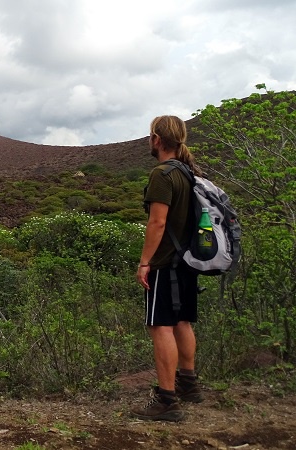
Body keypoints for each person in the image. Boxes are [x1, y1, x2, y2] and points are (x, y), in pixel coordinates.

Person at [131, 115, 204, 422]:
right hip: (188, 262)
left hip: (165, 265)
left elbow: (158, 222)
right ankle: (188, 384)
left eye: (151, 136)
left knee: (160, 326)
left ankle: (167, 400)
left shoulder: (162, 174)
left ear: (157, 140)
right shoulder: (188, 172)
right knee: (183, 322)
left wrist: (145, 262)